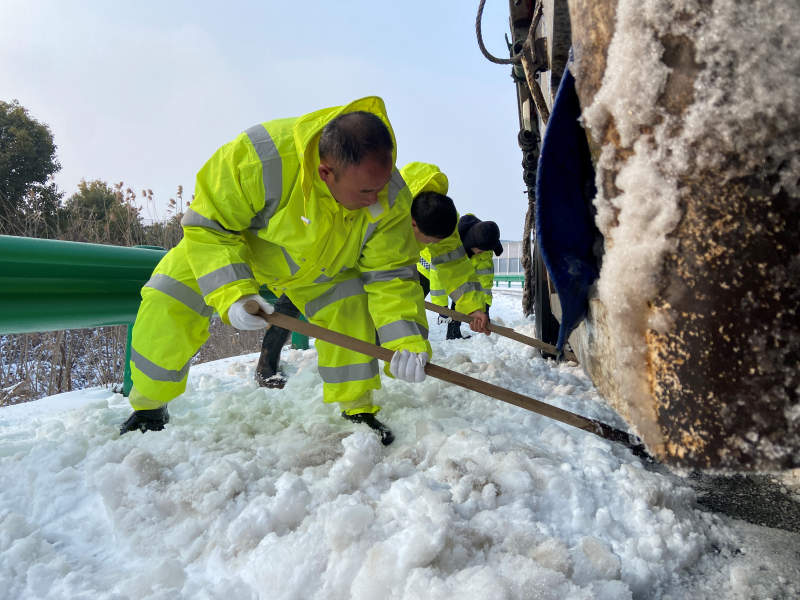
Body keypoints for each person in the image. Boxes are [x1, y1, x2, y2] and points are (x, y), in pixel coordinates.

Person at [120, 97, 432, 446]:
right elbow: (209, 227)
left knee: (351, 306)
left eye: (381, 185)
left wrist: (405, 340)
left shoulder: (390, 194)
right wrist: (233, 292)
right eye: (364, 191)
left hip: (322, 270)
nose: (376, 199)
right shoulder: (259, 158)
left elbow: (391, 274)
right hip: (239, 254)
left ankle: (357, 409)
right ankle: (148, 407)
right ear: (325, 172)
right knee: (169, 295)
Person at [253, 162, 490, 388]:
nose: (430, 247)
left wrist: (473, 305)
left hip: (375, 266)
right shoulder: (383, 204)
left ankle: (360, 372)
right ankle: (266, 364)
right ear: (414, 223)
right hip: (328, 256)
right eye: (428, 242)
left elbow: (454, 263)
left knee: (358, 317)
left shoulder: (441, 217)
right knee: (289, 305)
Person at [433, 213, 502, 339]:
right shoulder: (449, 243)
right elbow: (437, 276)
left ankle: (453, 333)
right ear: (472, 243)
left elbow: (485, 281)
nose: (485, 253)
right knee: (412, 301)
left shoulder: (484, 254)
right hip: (423, 269)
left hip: (455, 276)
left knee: (461, 295)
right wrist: (441, 307)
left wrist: (483, 307)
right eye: (481, 250)